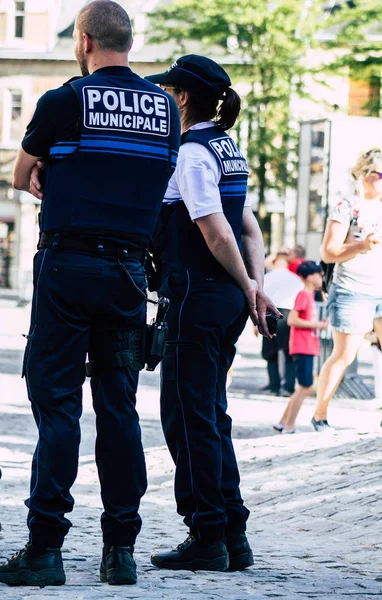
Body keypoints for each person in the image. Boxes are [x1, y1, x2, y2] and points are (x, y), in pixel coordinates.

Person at [0, 1, 180, 588]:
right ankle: (120, 550)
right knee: (119, 409)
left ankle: (45, 548)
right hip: (129, 273)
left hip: (68, 266)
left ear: (82, 40)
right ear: (128, 41)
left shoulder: (63, 100)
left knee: (57, 406)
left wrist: (52, 173)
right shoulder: (165, 110)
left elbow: (17, 173)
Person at [144, 55, 280, 573]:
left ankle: (206, 535)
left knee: (187, 419)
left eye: (169, 90)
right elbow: (249, 229)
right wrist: (254, 289)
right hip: (221, 298)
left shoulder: (192, 153)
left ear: (182, 98)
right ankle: (232, 532)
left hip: (196, 296)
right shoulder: (227, 148)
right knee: (211, 416)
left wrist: (251, 288)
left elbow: (216, 230)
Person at [312, 148, 382, 432]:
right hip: (352, 291)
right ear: (365, 174)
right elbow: (329, 253)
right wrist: (362, 246)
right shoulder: (347, 206)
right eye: (381, 174)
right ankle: (320, 415)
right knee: (344, 355)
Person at [273, 261, 328, 433]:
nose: (321, 278)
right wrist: (317, 324)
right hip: (302, 346)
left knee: (303, 387)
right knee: (306, 387)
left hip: (307, 346)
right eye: (319, 274)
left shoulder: (309, 295)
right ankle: (289, 426)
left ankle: (282, 422)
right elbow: (292, 319)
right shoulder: (303, 294)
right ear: (310, 276)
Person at [261, 252, 303, 395]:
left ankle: (274, 386)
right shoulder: (296, 279)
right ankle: (289, 387)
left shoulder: (267, 278)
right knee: (289, 354)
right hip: (288, 314)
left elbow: (259, 299)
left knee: (270, 354)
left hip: (269, 314)